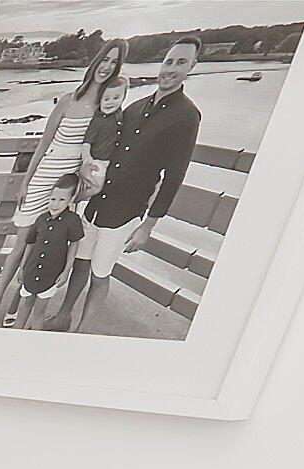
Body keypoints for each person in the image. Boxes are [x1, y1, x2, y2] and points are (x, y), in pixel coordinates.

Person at [0, 41, 125, 326]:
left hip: (69, 183)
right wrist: (26, 181)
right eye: (104, 59)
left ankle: (15, 304)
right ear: (96, 61)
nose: (106, 66)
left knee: (49, 245)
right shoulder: (67, 100)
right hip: (46, 172)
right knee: (22, 244)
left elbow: (105, 150)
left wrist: (91, 178)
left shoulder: (107, 109)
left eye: (114, 62)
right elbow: (43, 145)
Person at [68, 36, 203, 334]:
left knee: (100, 272)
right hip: (98, 202)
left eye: (181, 62)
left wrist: (148, 227)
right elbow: (106, 145)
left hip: (126, 211)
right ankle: (64, 315)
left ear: (192, 66)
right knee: (80, 261)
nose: (171, 69)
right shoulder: (134, 106)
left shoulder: (187, 116)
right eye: (169, 61)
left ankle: (80, 331)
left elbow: (175, 176)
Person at [0, 171, 87, 328]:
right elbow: (30, 244)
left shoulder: (73, 221)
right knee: (24, 308)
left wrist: (66, 271)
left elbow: (74, 245)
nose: (55, 204)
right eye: (53, 199)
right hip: (31, 271)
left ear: (71, 200)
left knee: (38, 312)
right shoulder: (40, 219)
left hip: (50, 275)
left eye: (61, 200)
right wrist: (22, 268)